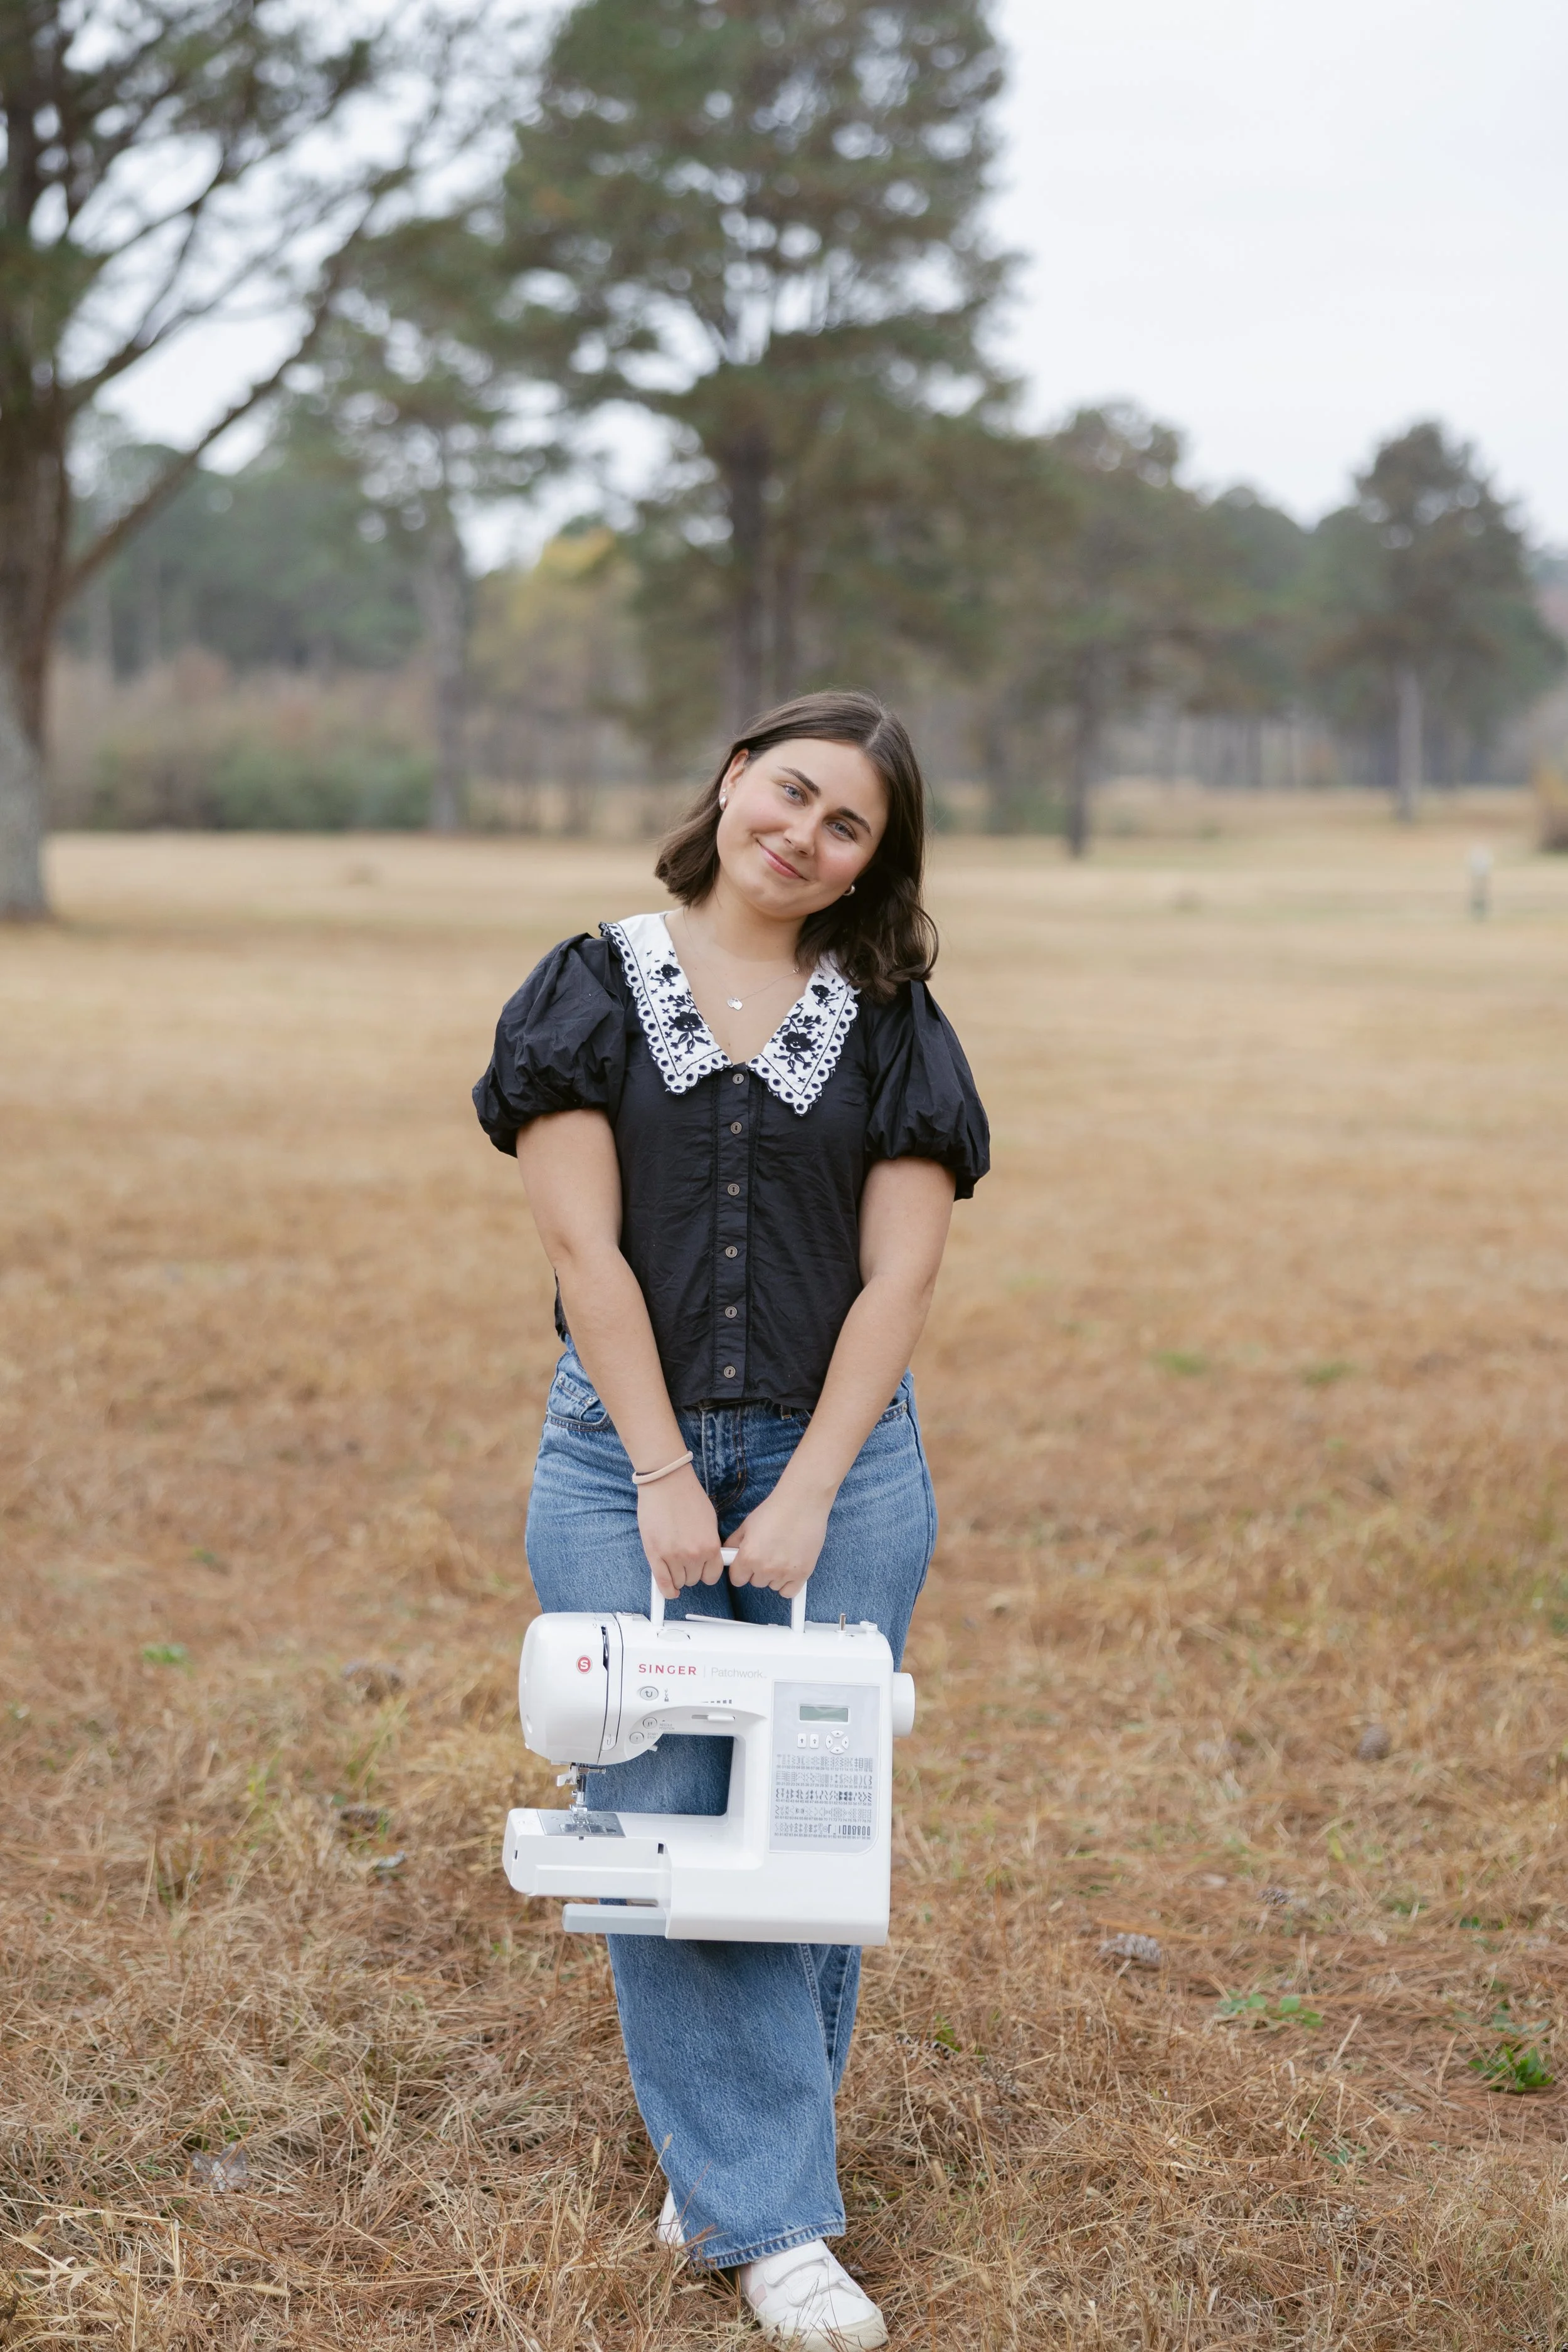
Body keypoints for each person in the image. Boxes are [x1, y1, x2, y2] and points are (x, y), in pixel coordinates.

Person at [473, 689, 988, 2351]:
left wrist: (813, 1490)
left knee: (808, 1821)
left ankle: (739, 2173)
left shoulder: (894, 1015)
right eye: (790, 792)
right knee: (662, 1814)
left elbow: (901, 1271)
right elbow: (585, 1256)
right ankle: (773, 2224)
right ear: (728, 782)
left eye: (848, 826)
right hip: (624, 1451)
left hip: (844, 1458)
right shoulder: (585, 988)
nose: (805, 834)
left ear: (867, 866)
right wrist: (669, 1476)